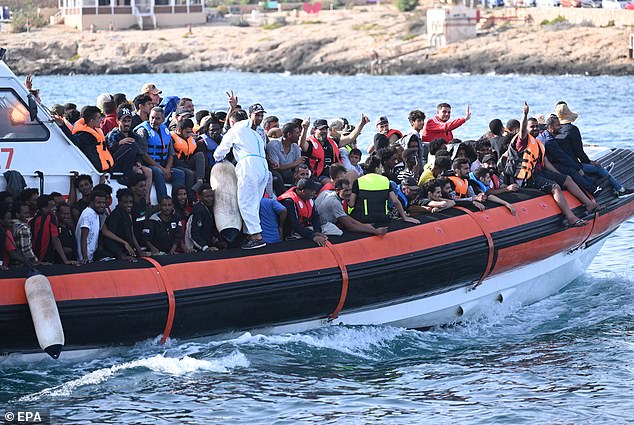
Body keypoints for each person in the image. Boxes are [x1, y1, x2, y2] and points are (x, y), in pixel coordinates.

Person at [515, 102, 598, 227]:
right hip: (527, 177)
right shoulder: (523, 142)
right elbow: (522, 131)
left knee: (567, 179)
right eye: (532, 127)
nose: (536, 129)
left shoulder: (538, 143)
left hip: (539, 172)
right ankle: (570, 217)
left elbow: (546, 163)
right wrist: (525, 115)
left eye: (537, 126)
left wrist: (559, 175)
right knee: (555, 187)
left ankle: (589, 204)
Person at [214, 109, 269, 250]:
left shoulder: (235, 130)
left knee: (245, 202)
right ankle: (250, 235)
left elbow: (220, 151)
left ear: (232, 122)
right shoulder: (256, 134)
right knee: (254, 202)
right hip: (263, 167)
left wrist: (218, 159)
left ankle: (256, 237)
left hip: (248, 165)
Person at [554, 102, 632, 197]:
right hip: (573, 166)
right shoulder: (572, 130)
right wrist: (590, 162)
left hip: (559, 166)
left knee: (594, 168)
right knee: (599, 169)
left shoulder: (554, 132)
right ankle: (620, 189)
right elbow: (579, 152)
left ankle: (605, 172)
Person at [135, 106, 186, 200]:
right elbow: (144, 155)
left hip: (163, 165)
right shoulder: (143, 131)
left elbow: (171, 153)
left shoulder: (165, 130)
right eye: (152, 117)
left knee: (180, 173)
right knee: (158, 172)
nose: (154, 121)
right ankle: (163, 200)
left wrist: (167, 168)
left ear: (163, 119)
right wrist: (162, 169)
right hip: (149, 165)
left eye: (157, 118)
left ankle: (178, 201)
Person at [349, 161, 420, 226]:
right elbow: (395, 201)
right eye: (380, 167)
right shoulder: (385, 181)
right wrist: (405, 217)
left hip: (363, 220)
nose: (381, 169)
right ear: (376, 169)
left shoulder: (358, 182)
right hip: (382, 219)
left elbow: (351, 204)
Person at [107, 106, 153, 197]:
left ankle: (146, 200)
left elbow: (138, 153)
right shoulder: (113, 134)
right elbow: (109, 151)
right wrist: (120, 144)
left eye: (129, 121)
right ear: (118, 121)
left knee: (148, 171)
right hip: (116, 164)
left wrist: (138, 162)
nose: (127, 124)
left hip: (131, 163)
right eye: (124, 121)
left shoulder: (133, 135)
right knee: (131, 145)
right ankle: (125, 179)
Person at [316, 178, 388, 236]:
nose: (349, 193)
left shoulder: (326, 192)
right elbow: (350, 227)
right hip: (322, 226)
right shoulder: (334, 202)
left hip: (316, 222)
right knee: (339, 233)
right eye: (346, 190)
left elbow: (345, 216)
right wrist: (375, 231)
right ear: (337, 190)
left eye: (350, 190)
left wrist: (363, 225)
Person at [30, 195, 79, 265]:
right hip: (46, 258)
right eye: (52, 206)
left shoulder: (33, 220)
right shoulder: (51, 217)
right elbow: (55, 239)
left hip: (36, 258)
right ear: (44, 208)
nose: (55, 208)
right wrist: (65, 260)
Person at [278, 178, 329, 246]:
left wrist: (317, 231)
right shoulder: (289, 201)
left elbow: (315, 217)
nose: (314, 192)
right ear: (302, 191)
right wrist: (313, 236)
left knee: (334, 231)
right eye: (311, 190)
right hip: (291, 233)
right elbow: (294, 225)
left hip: (304, 228)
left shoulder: (309, 197)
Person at [101, 189, 144, 261]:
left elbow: (131, 233)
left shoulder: (128, 214)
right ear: (119, 202)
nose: (129, 205)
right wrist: (121, 255)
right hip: (118, 255)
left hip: (128, 252)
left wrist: (139, 250)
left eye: (131, 202)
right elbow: (109, 238)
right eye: (126, 202)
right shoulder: (116, 215)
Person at [72, 106, 114, 173]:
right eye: (99, 118)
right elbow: (73, 140)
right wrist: (62, 126)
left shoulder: (97, 131)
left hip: (107, 168)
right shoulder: (83, 135)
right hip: (96, 171)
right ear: (91, 121)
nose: (101, 120)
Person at [170, 118, 207, 194]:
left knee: (200, 155)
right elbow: (173, 158)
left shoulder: (190, 138)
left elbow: (194, 153)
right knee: (190, 173)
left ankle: (200, 180)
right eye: (187, 132)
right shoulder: (172, 139)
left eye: (190, 132)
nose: (189, 134)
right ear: (180, 130)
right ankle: (191, 196)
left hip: (187, 162)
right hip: (176, 164)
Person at [266, 121, 307, 186]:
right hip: (278, 177)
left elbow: (297, 166)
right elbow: (276, 168)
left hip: (291, 175)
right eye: (297, 133)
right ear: (289, 135)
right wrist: (296, 163)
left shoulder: (295, 147)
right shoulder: (273, 146)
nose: (299, 135)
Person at [185, 185, 223, 252]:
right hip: (195, 248)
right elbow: (193, 233)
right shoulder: (198, 209)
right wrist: (205, 248)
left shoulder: (211, 207)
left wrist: (217, 241)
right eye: (207, 196)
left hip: (208, 244)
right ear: (200, 197)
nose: (210, 199)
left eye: (212, 196)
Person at [75, 190, 107, 262]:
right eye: (99, 203)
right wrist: (85, 258)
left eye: (103, 203)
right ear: (92, 202)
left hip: (90, 257)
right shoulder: (88, 214)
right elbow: (83, 237)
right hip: (85, 259)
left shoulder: (95, 213)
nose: (102, 205)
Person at [0, 203, 30, 270]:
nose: (11, 221)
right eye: (8, 219)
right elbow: (13, 254)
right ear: (1, 220)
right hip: (3, 270)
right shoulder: (5, 232)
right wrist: (27, 262)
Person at [10, 201, 40, 266]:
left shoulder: (10, 225)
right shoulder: (23, 228)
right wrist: (36, 262)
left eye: (28, 213)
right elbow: (26, 250)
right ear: (17, 215)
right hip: (23, 266)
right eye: (25, 213)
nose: (28, 215)